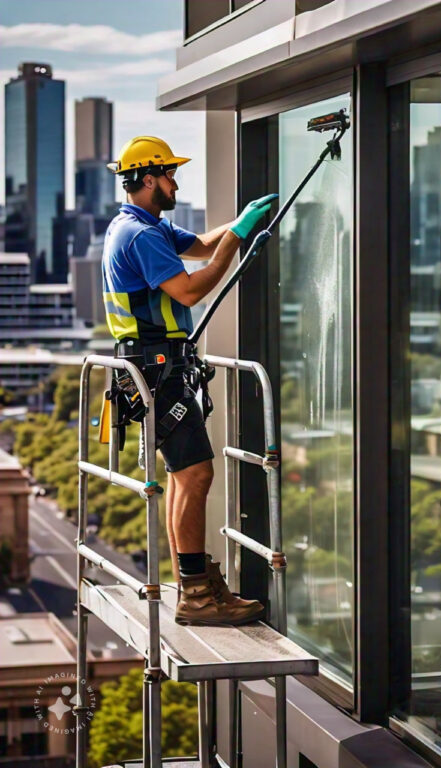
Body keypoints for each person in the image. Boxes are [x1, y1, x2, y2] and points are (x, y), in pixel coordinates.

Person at [103, 135, 278, 626]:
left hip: (157, 366)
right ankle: (196, 596)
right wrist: (236, 246)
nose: (176, 182)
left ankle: (195, 583)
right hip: (158, 368)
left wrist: (241, 223)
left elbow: (201, 245)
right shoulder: (140, 235)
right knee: (197, 474)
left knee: (185, 477)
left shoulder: (142, 225)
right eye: (171, 174)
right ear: (151, 178)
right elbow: (192, 284)